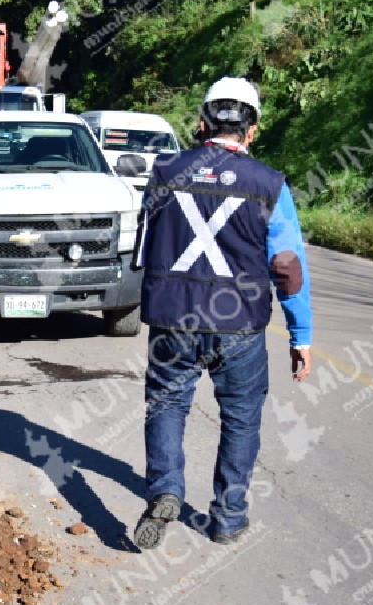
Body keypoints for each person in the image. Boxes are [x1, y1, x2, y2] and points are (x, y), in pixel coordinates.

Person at [131, 76, 313, 549]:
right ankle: (228, 517)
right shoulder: (269, 184)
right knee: (240, 419)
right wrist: (301, 334)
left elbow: (141, 250)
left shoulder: (165, 171)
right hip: (240, 326)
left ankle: (166, 490)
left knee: (168, 405)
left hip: (173, 320)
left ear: (202, 122)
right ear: (252, 131)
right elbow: (287, 268)